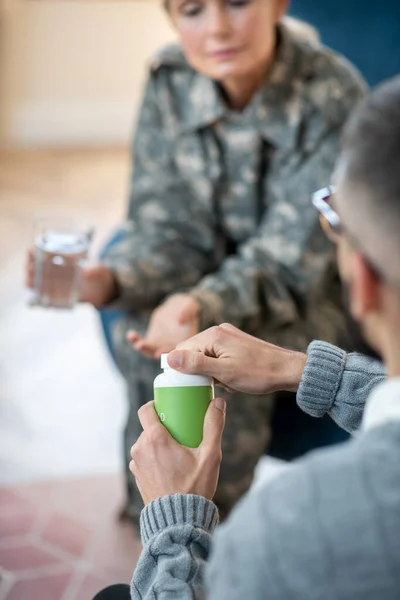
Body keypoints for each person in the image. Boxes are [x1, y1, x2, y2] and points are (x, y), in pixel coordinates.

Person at [26, 0, 366, 525]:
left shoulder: (333, 93)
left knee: (214, 352)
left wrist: (197, 303)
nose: (218, 29)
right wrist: (109, 279)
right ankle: (153, 516)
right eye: (192, 10)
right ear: (171, 19)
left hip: (309, 296)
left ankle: (205, 532)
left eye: (236, 3)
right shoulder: (169, 80)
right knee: (153, 333)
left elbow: (292, 260)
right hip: (206, 274)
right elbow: (165, 225)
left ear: (277, 4)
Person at [127, 76, 400, 598]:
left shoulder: (294, 529)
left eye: (333, 217)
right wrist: (304, 370)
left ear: (362, 283)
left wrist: (173, 527)